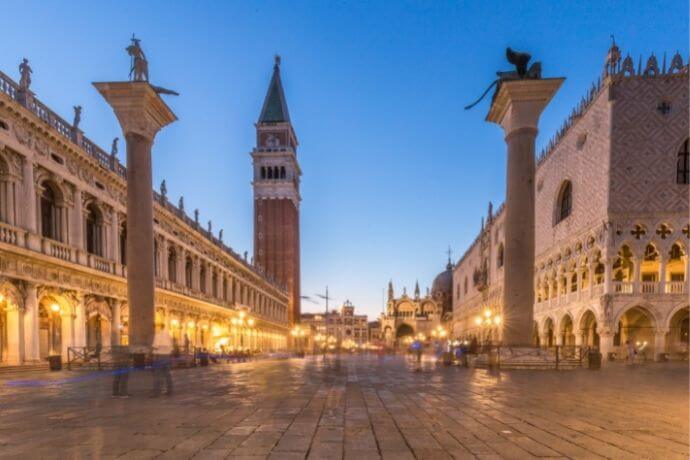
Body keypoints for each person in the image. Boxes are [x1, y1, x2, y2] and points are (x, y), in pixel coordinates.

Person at [152, 324, 174, 397]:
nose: (155, 329)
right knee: (168, 375)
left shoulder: (158, 335)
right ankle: (170, 391)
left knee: (157, 375)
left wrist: (152, 350)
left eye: (155, 327)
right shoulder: (168, 335)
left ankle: (156, 392)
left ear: (159, 327)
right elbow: (171, 347)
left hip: (159, 357)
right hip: (167, 357)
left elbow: (156, 346)